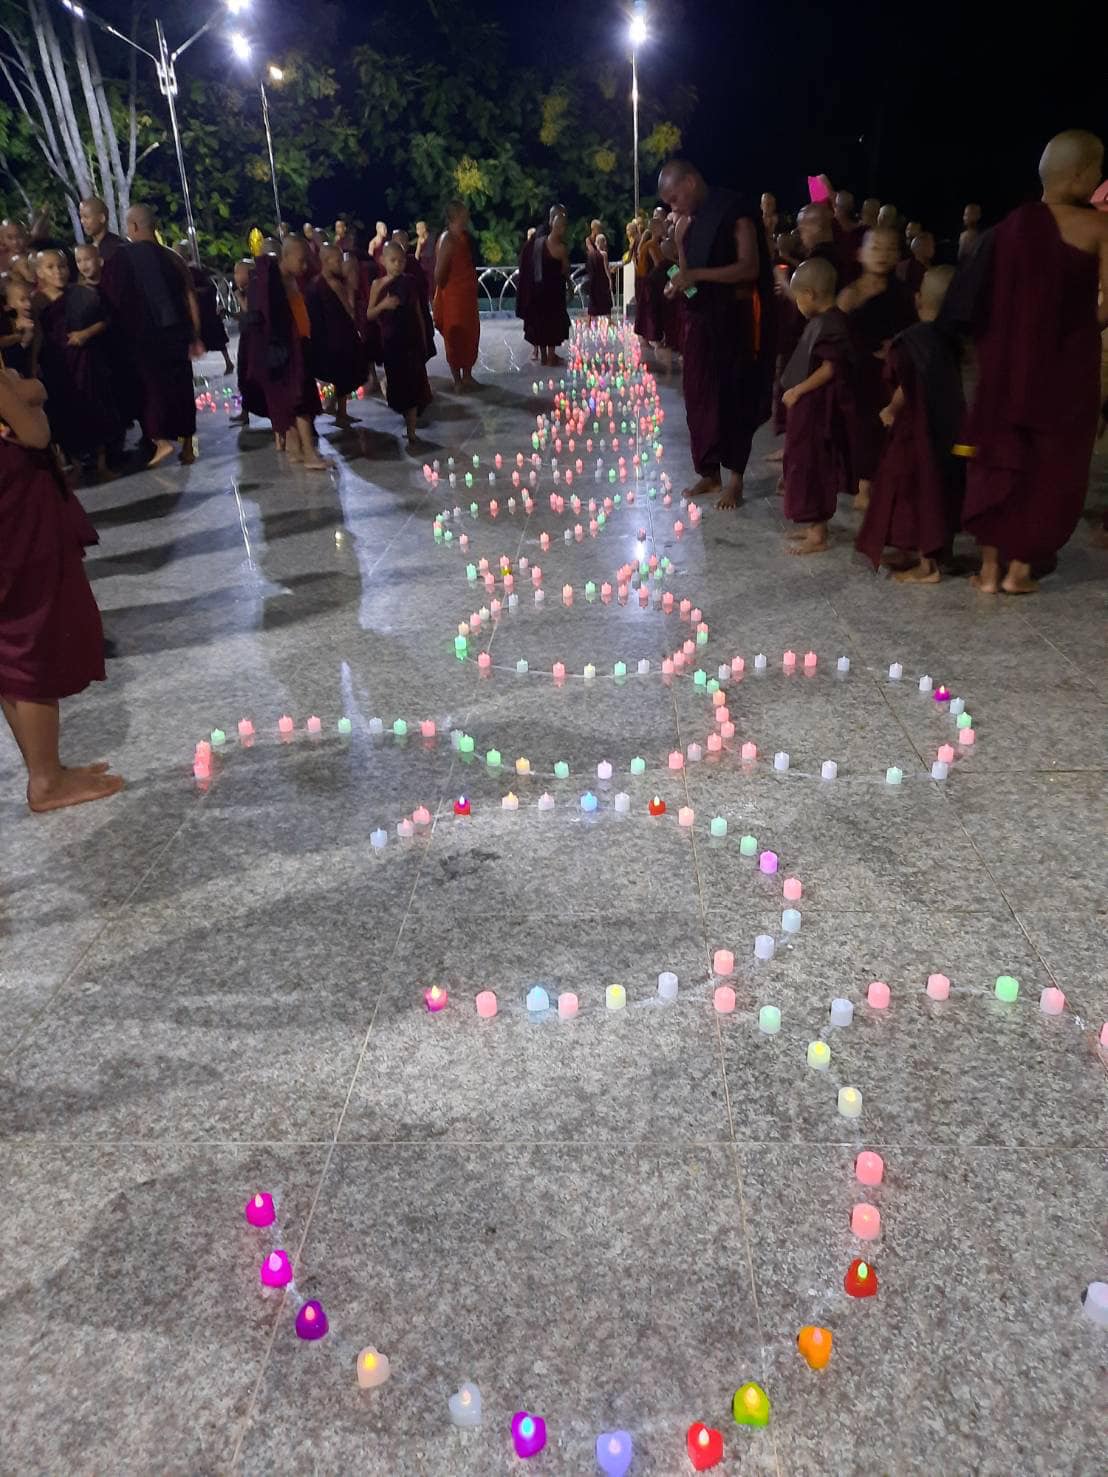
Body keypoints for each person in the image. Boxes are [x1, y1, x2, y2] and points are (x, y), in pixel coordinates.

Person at [961, 130, 1107, 594]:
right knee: (1053, 462)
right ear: (1083, 175)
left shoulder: (1011, 226)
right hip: (1066, 365)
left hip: (1006, 365)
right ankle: (1020, 571)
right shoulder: (1100, 228)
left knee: (1003, 452)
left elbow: (980, 300)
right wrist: (1079, 330)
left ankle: (987, 571)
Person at [0, 366, 123, 811]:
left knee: (10, 641)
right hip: (15, 520)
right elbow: (33, 433)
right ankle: (47, 781)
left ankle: (43, 769)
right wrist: (29, 389)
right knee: (33, 635)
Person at [657, 158, 775, 509]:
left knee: (733, 397)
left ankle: (735, 479)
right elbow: (690, 275)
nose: (673, 207)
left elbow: (749, 267)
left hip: (733, 320)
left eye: (674, 198)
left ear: (691, 183)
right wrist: (680, 273)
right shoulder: (688, 222)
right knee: (699, 397)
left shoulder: (733, 209)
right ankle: (709, 472)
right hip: (701, 321)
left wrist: (697, 277)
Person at [856, 267, 966, 581]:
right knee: (942, 488)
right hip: (948, 429)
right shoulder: (950, 339)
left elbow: (908, 381)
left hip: (915, 432)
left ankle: (927, 565)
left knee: (914, 490)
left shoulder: (913, 341)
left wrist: (891, 408)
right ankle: (938, 552)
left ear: (918, 299)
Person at [99, 204, 201, 467]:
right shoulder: (172, 257)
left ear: (132, 227)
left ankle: (160, 439)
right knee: (181, 387)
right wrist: (196, 334)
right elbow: (190, 295)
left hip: (142, 337)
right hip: (176, 333)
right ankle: (187, 447)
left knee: (150, 389)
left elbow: (112, 299)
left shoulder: (121, 259)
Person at [836, 226, 917, 508]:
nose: (881, 254)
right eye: (875, 248)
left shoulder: (903, 295)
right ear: (860, 254)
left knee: (886, 429)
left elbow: (912, 334)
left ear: (897, 255)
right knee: (859, 430)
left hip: (890, 376)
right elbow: (836, 334)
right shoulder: (849, 293)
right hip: (856, 373)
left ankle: (884, 483)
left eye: (888, 248)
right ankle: (862, 486)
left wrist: (895, 350)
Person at [779, 257, 852, 554]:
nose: (797, 304)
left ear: (809, 294)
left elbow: (830, 367)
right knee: (801, 461)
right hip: (808, 408)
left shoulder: (831, 324)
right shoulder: (823, 321)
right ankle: (812, 527)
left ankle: (818, 533)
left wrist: (798, 390)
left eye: (797, 298)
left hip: (817, 410)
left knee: (812, 465)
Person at [32, 248, 122, 478]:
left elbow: (103, 321)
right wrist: (33, 364)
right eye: (50, 267)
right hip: (57, 365)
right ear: (39, 272)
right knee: (65, 413)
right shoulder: (38, 302)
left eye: (61, 266)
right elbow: (39, 335)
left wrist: (85, 334)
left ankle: (102, 463)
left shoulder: (81, 293)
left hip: (86, 360)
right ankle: (76, 464)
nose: (58, 272)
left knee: (96, 405)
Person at [367, 240, 432, 444]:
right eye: (393, 260)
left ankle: (411, 431)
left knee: (413, 385)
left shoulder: (410, 282)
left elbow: (417, 312)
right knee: (399, 385)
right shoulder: (378, 285)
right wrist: (384, 304)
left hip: (411, 341)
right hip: (391, 342)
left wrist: (423, 339)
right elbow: (369, 314)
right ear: (382, 261)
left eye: (401, 261)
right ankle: (406, 418)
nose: (397, 265)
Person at [305, 243, 362, 428]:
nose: (340, 264)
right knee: (343, 376)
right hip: (339, 338)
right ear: (325, 261)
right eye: (337, 260)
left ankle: (334, 408)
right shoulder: (335, 284)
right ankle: (341, 413)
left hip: (324, 338)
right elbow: (350, 311)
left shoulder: (313, 284)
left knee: (337, 377)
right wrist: (351, 290)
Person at [432, 200, 481, 389]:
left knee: (471, 333)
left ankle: (467, 375)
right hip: (453, 297)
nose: (468, 215)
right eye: (464, 212)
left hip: (467, 297)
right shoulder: (447, 239)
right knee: (455, 335)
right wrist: (449, 289)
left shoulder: (463, 237)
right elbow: (439, 274)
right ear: (457, 215)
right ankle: (457, 380)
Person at [174, 242, 233, 375]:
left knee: (216, 337)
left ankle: (228, 362)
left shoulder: (192, 270)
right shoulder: (184, 270)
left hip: (204, 309)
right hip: (199, 309)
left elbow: (207, 287)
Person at [522, 207, 570, 366]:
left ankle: (543, 355)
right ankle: (550, 355)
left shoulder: (538, 243)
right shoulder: (561, 249)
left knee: (541, 324)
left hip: (539, 290)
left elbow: (529, 265)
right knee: (554, 323)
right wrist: (570, 288)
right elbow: (565, 270)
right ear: (561, 228)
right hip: (554, 293)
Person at [633, 214, 666, 347]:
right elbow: (660, 265)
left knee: (646, 311)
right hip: (650, 284)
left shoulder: (653, 244)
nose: (664, 229)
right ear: (656, 230)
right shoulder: (652, 245)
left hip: (648, 282)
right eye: (661, 227)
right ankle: (652, 338)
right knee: (650, 311)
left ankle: (645, 338)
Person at [78, 197, 124, 262]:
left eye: (86, 217)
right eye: (81, 217)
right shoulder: (89, 248)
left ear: (102, 218)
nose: (82, 221)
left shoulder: (117, 247)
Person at [585, 226, 613, 317]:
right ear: (601, 242)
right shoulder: (604, 254)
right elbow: (606, 268)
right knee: (606, 303)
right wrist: (610, 280)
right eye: (604, 241)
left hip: (594, 281)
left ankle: (590, 323)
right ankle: (608, 321)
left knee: (593, 303)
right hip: (602, 281)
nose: (605, 243)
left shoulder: (591, 254)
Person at [415, 219, 435, 297]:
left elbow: (430, 252)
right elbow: (417, 252)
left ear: (424, 229)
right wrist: (415, 263)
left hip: (432, 263)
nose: (417, 231)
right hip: (424, 265)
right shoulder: (420, 239)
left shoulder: (431, 238)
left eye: (418, 229)